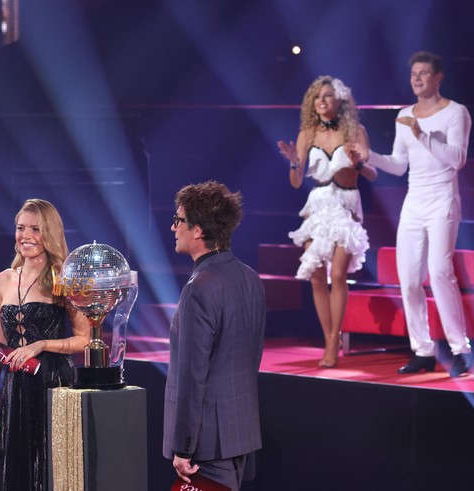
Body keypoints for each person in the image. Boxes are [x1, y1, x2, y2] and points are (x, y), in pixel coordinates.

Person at [347, 51, 473, 377]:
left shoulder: (456, 113)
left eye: (424, 73)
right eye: (414, 73)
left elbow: (457, 159)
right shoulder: (404, 115)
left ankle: (461, 350)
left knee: (440, 271)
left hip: (443, 198)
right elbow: (399, 164)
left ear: (438, 77)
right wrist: (368, 155)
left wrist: (421, 134)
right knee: (409, 279)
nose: (417, 78)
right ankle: (423, 350)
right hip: (414, 202)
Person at [0, 199, 90, 491]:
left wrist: (42, 344)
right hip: (16, 385)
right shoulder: (2, 280)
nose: (25, 235)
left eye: (35, 229)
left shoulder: (63, 280)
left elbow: (86, 339)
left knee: (50, 467)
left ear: (50, 234)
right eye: (20, 228)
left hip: (53, 383)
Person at [164, 181, 267, 490]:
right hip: (241, 434)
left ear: (198, 230)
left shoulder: (198, 289)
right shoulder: (250, 277)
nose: (173, 227)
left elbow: (193, 377)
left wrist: (183, 446)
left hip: (206, 445)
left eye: (179, 220)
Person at [277, 76, 377, 368]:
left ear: (340, 101)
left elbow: (372, 174)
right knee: (317, 276)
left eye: (327, 96)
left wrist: (359, 162)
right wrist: (294, 162)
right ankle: (329, 338)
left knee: (339, 274)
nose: (321, 101)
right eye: (317, 97)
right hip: (318, 207)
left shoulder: (356, 131)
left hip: (346, 205)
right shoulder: (307, 133)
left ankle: (334, 342)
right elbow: (297, 182)